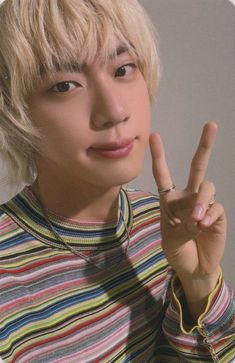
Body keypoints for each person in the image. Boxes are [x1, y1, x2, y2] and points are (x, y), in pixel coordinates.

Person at [0, 0, 234, 362]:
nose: (114, 111)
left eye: (123, 69)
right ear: (16, 111)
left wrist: (200, 283)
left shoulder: (161, 223)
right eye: (64, 86)